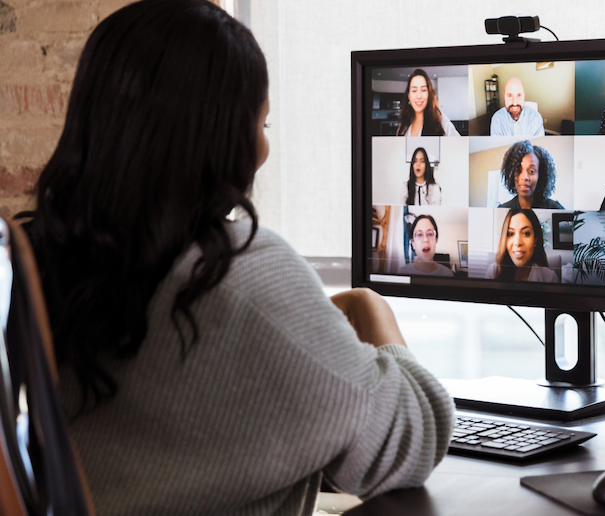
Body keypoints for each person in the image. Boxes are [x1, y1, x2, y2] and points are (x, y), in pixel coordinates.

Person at [17, 1, 454, 514]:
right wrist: (370, 308)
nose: (265, 150)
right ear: (220, 134)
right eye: (263, 123)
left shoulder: (49, 260)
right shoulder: (239, 273)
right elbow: (413, 436)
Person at [485, 208, 558, 283]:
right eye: (510, 234)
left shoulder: (550, 277)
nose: (517, 242)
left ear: (535, 239)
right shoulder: (493, 272)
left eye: (526, 233)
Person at [497, 140, 564, 209]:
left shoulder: (556, 209)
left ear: (540, 175)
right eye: (518, 170)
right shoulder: (502, 209)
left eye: (531, 171)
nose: (524, 177)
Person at [396, 69, 460, 137]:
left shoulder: (440, 121)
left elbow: (460, 145)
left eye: (423, 90)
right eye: (414, 91)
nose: (419, 96)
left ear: (428, 94)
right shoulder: (403, 125)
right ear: (409, 96)